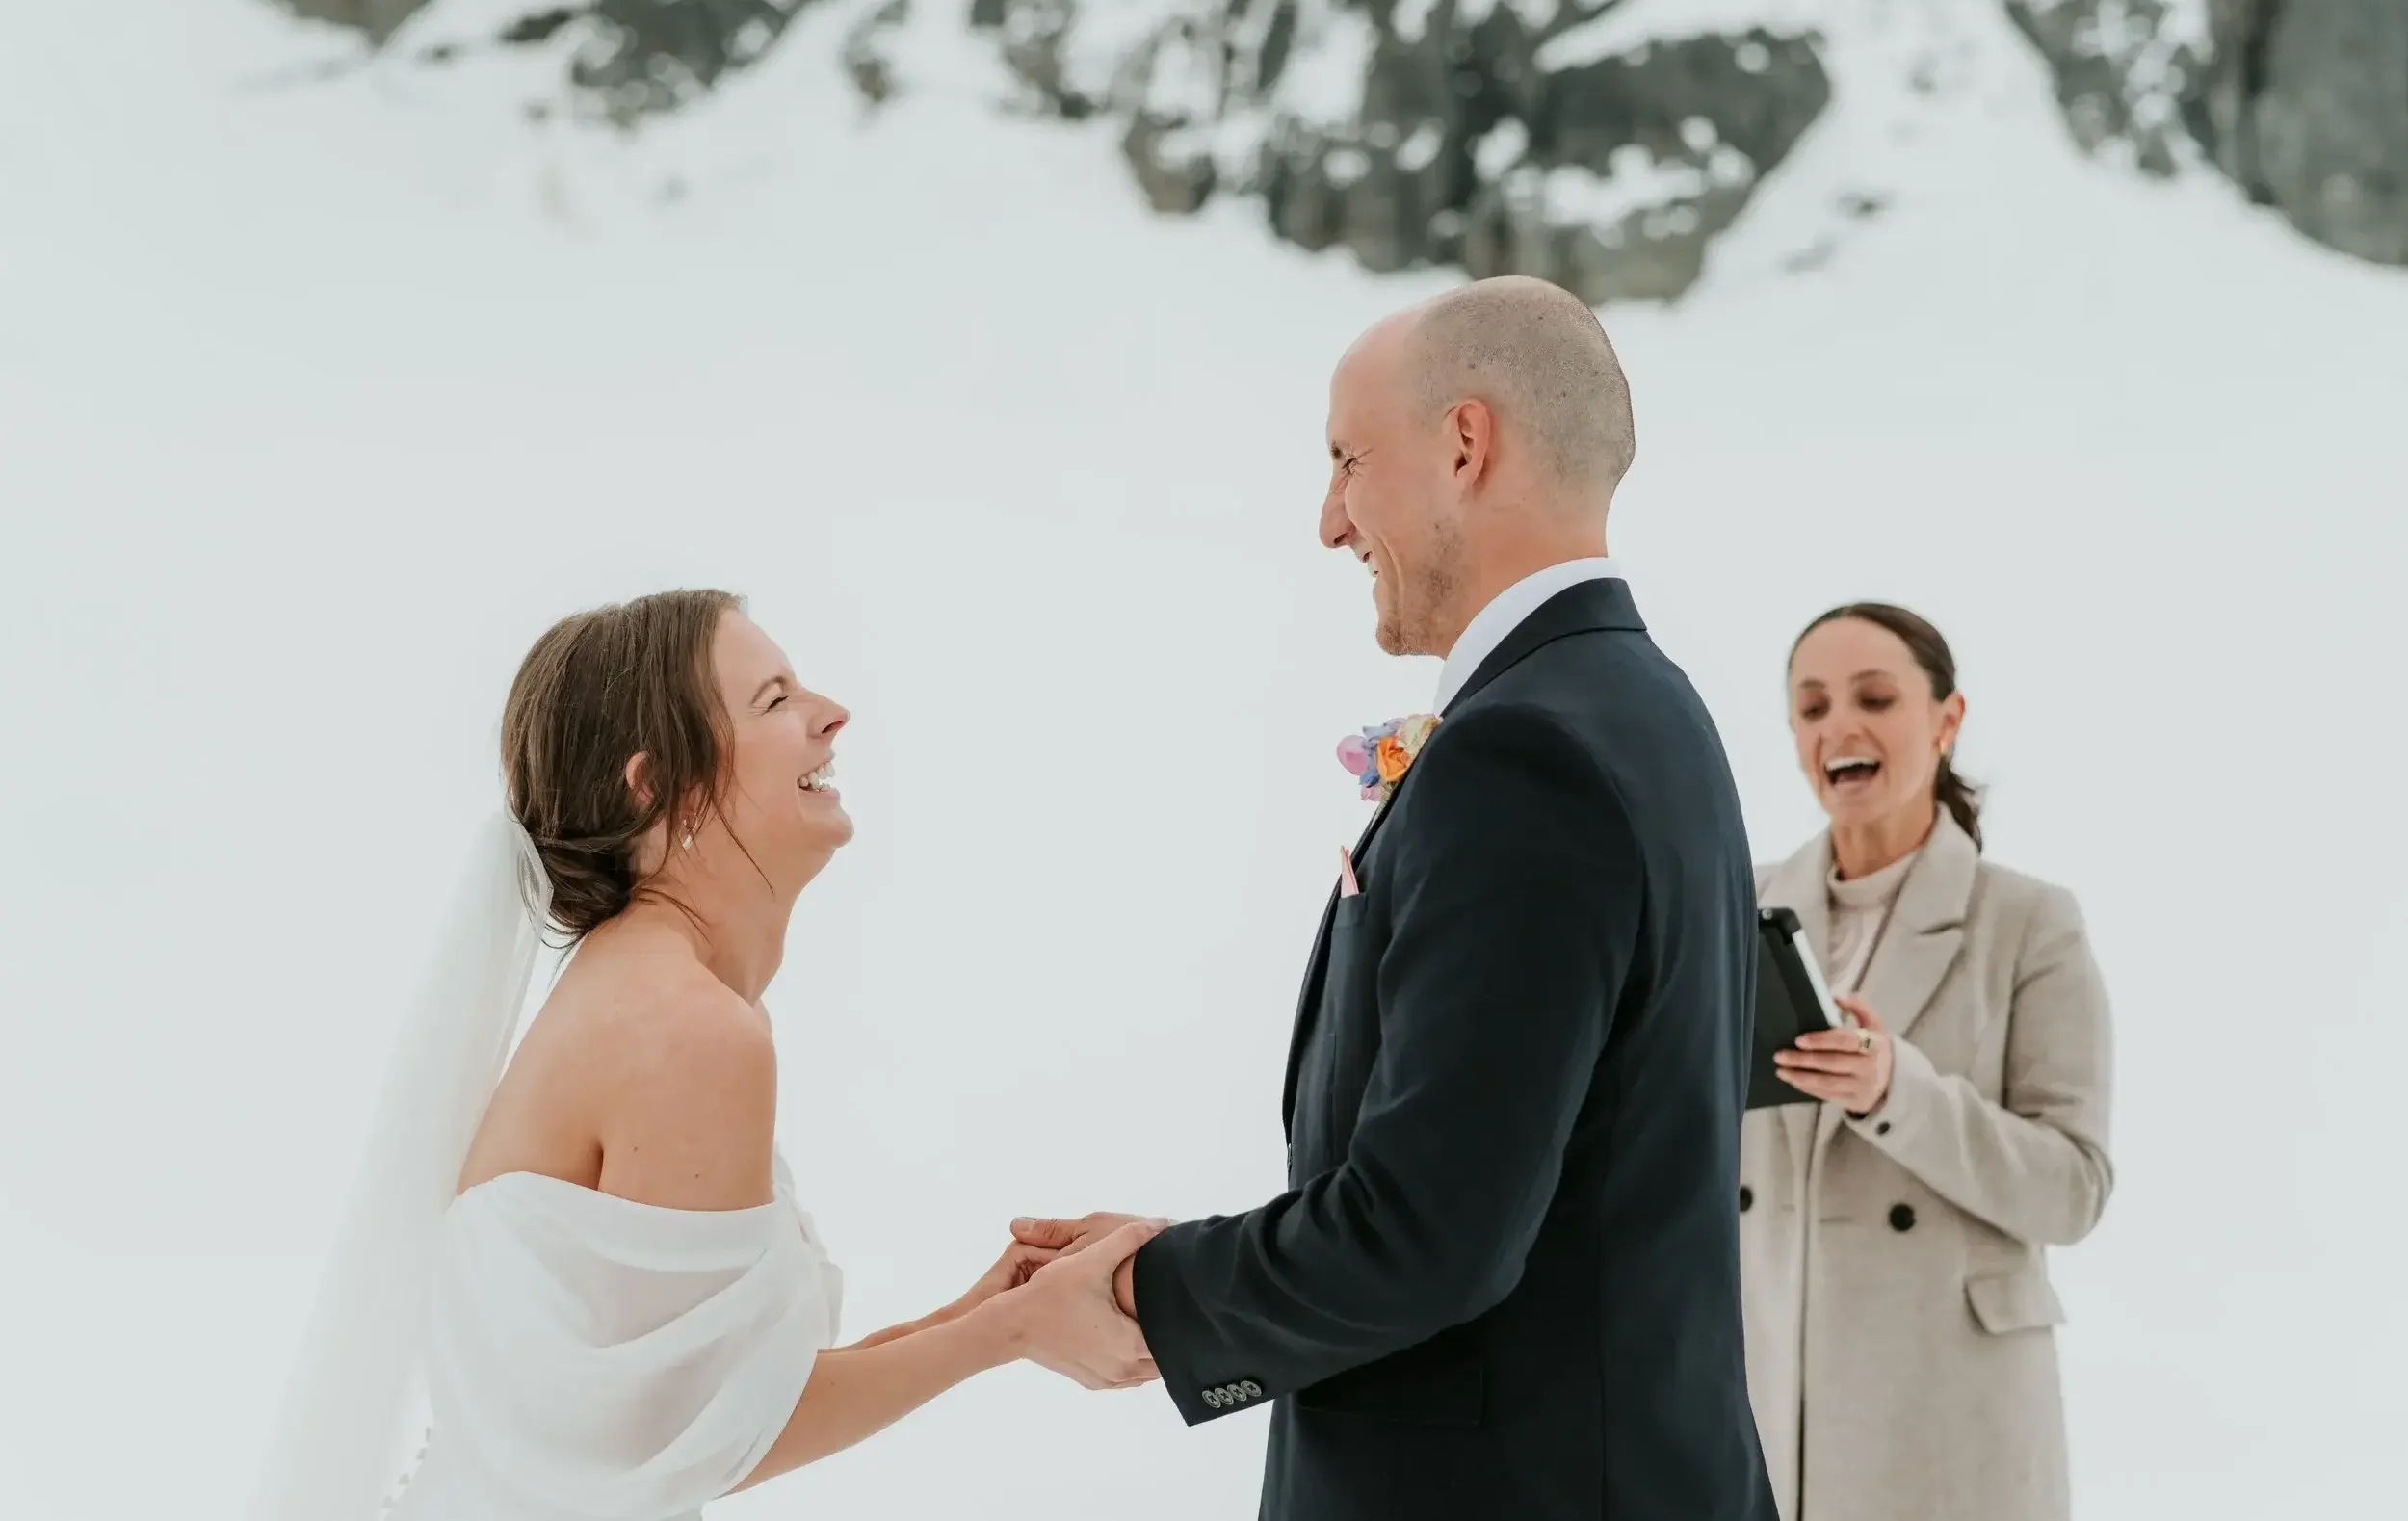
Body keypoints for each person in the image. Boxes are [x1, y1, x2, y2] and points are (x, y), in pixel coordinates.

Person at [1013, 276, 1778, 1521]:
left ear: (1464, 444)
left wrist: (1153, 1293)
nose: (1329, 521)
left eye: (1346, 461)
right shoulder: (1653, 712)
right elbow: (1530, 1164)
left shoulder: (1525, 755)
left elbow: (1433, 1232)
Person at [248, 589, 1161, 1521]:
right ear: (657, 784)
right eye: (774, 699)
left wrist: (979, 1310)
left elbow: (701, 1410)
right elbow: (689, 1446)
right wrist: (1006, 1332)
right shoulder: (686, 1028)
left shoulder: (643, 992)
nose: (831, 712)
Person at [1743, 601, 2113, 1521]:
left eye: (1875, 697)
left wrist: (1895, 1090)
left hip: (1947, 1411)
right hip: (1759, 1397)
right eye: (1813, 706)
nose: (1840, 728)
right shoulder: (1736, 904)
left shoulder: (2029, 922)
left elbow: (2073, 1186)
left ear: (1947, 721)